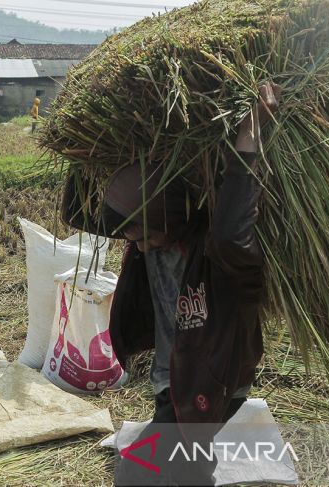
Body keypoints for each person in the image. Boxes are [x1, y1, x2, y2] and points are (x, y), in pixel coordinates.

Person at [104, 82, 280, 486]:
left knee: (134, 474)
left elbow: (234, 232)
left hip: (213, 379)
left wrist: (249, 135)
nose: (143, 248)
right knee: (190, 467)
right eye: (135, 241)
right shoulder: (151, 230)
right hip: (175, 378)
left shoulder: (218, 256)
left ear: (165, 213)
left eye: (146, 236)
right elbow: (93, 212)